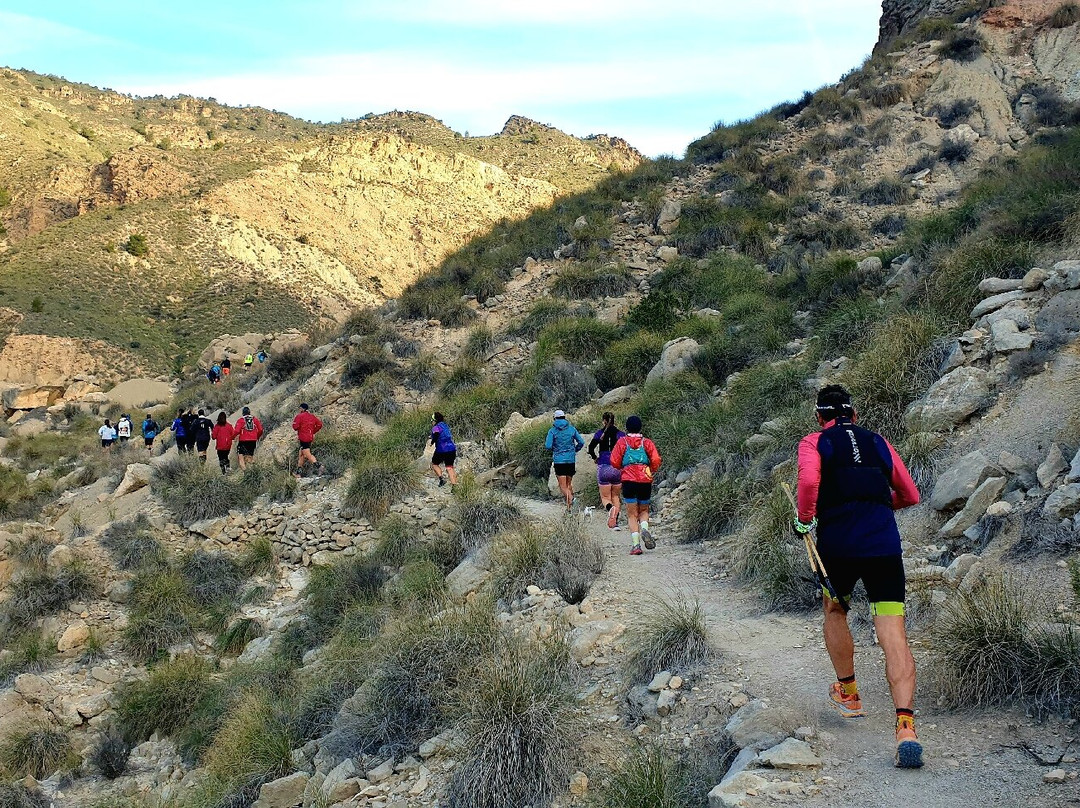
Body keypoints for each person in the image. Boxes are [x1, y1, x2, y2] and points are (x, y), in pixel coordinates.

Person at [795, 384, 922, 768]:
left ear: (820, 417)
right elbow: (910, 494)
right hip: (883, 544)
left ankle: (849, 693)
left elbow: (808, 483)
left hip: (838, 545)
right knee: (892, 630)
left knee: (835, 611)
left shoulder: (813, 441)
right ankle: (905, 727)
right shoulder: (878, 441)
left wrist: (805, 520)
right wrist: (880, 506)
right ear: (855, 414)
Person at [610, 415, 661, 555]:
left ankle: (636, 545)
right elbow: (656, 459)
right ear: (640, 427)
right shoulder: (647, 442)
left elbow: (614, 460)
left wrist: (622, 467)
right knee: (644, 510)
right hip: (645, 479)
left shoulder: (622, 442)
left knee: (632, 514)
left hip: (628, 480)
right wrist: (651, 469)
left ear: (627, 428)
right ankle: (644, 528)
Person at [588, 412, 625, 530]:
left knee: (605, 497)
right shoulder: (620, 434)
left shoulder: (599, 433)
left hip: (603, 466)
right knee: (615, 496)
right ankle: (616, 523)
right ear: (614, 421)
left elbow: (590, 448)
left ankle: (610, 509)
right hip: (617, 468)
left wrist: (595, 458)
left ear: (604, 421)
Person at [545, 409, 585, 512]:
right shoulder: (571, 429)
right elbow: (581, 442)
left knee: (562, 486)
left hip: (559, 461)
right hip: (571, 460)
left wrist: (556, 448)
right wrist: (575, 450)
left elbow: (548, 445)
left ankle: (573, 501)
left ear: (554, 418)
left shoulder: (552, 431)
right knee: (568, 485)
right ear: (564, 417)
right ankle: (569, 509)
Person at [292, 402, 323, 477]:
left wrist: (297, 425)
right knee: (301, 454)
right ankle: (298, 473)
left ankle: (319, 466)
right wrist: (313, 431)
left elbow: (295, 427)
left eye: (300, 408)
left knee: (307, 453)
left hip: (303, 437)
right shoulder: (312, 416)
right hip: (310, 437)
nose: (299, 409)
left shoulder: (299, 416)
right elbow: (319, 424)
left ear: (302, 408)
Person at [429, 411, 458, 487]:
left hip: (441, 449)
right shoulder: (445, 425)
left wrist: (432, 442)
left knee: (434, 464)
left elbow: (436, 434)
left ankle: (442, 479)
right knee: (449, 467)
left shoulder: (436, 427)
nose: (431, 422)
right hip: (451, 449)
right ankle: (454, 486)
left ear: (435, 420)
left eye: (432, 421)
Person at [233, 406, 264, 470]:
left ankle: (245, 472)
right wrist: (257, 437)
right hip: (253, 441)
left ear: (243, 413)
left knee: (240, 456)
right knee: (249, 457)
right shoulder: (255, 419)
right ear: (249, 412)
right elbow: (261, 430)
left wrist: (232, 437)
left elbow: (237, 431)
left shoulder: (240, 420)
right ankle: (255, 469)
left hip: (243, 441)